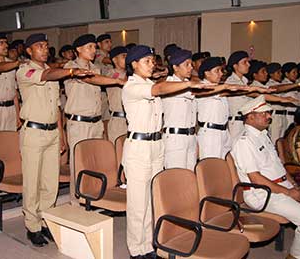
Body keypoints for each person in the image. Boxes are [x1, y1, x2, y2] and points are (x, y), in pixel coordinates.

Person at [122, 45, 212, 258]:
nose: (151, 64)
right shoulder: (131, 86)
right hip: (138, 147)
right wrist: (189, 82)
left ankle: (148, 245)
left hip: (156, 145)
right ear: (134, 64)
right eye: (146, 61)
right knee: (138, 203)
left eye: (152, 61)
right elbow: (160, 90)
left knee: (152, 200)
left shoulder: (151, 84)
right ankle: (136, 250)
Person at [232, 96, 300, 259]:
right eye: (264, 113)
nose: (269, 116)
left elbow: (279, 166)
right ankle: (296, 256)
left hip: (282, 187)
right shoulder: (244, 142)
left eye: (269, 113)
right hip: (263, 194)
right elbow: (256, 179)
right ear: (250, 117)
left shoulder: (263, 136)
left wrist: (292, 185)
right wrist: (288, 193)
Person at [16, 33, 91, 247]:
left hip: (51, 133)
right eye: (39, 46)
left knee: (50, 182)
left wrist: (62, 134)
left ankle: (46, 220)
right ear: (29, 50)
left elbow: (56, 107)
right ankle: (32, 226)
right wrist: (70, 71)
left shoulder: (52, 73)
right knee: (32, 181)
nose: (44, 48)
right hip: (33, 132)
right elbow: (46, 75)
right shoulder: (25, 70)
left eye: (47, 46)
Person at [63, 34, 125, 203]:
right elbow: (91, 79)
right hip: (79, 123)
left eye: (94, 47)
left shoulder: (96, 68)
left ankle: (92, 198)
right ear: (78, 49)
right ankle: (76, 203)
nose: (93, 50)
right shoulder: (70, 67)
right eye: (89, 47)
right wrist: (118, 82)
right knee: (78, 165)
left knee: (94, 163)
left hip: (96, 122)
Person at [105, 46, 128, 143]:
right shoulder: (111, 75)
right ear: (114, 59)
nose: (127, 59)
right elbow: (119, 80)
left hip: (130, 119)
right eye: (123, 56)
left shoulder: (130, 74)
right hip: (117, 120)